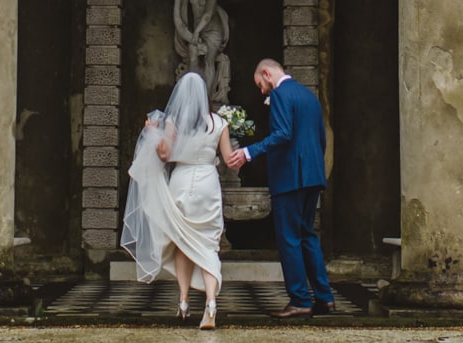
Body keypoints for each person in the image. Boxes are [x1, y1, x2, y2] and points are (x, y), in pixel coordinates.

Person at [121, 71, 234, 329]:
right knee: (208, 244)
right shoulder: (219, 123)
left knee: (182, 242)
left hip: (181, 182)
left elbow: (163, 155)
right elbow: (229, 159)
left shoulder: (174, 122)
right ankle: (211, 302)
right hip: (208, 183)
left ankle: (183, 302)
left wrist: (153, 133)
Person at [224, 57, 336, 318]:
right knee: (307, 236)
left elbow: (283, 134)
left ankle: (299, 300)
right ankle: (325, 298)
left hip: (290, 178)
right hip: (312, 176)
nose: (262, 90)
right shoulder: (309, 97)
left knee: (289, 239)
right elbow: (320, 138)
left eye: (260, 84)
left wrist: (249, 152)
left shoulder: (281, 95)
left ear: (267, 73)